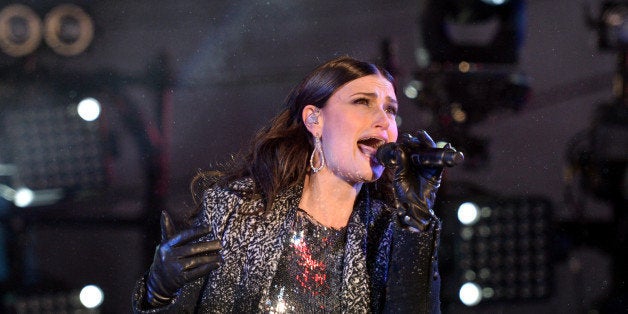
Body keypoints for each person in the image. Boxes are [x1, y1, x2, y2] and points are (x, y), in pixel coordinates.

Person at [132, 56, 446, 313]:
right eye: (363, 101)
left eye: (390, 109)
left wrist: (416, 220)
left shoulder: (390, 233)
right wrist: (158, 292)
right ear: (314, 120)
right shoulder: (236, 212)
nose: (383, 120)